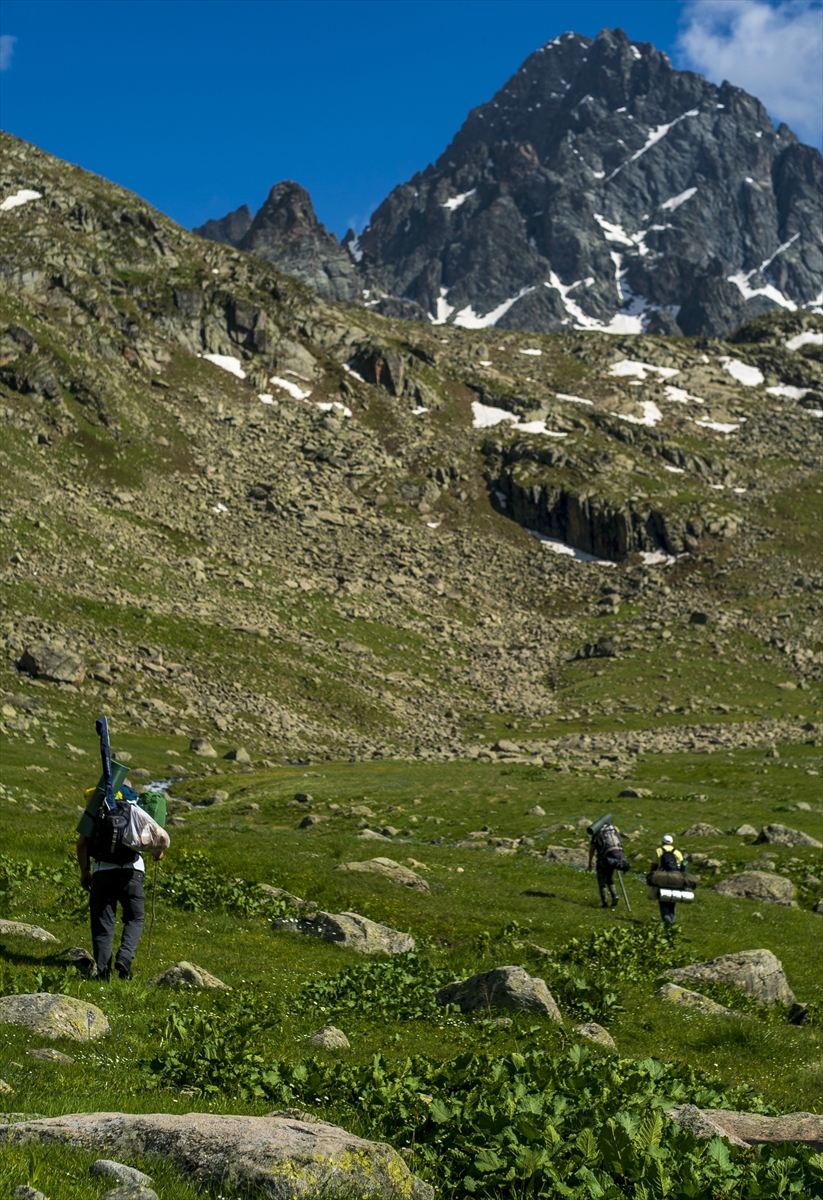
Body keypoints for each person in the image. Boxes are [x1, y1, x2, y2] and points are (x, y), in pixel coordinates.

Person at [76, 778, 163, 979]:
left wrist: (85, 871)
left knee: (102, 923)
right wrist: (158, 854)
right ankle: (124, 958)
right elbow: (157, 847)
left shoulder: (98, 807)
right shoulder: (136, 810)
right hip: (132, 873)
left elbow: (82, 843)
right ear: (129, 790)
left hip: (101, 872)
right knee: (134, 918)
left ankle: (102, 972)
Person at [587, 819, 624, 908]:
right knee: (609, 879)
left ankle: (605, 903)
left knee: (602, 881)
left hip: (603, 859)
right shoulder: (612, 830)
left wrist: (590, 863)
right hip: (614, 858)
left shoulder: (597, 832)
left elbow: (592, 848)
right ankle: (615, 895)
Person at [653, 834, 685, 925]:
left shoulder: (658, 851)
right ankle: (672, 920)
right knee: (673, 900)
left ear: (662, 842)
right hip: (676, 879)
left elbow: (654, 866)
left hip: (662, 878)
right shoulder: (677, 852)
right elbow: (683, 867)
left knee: (663, 900)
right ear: (672, 843)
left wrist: (652, 877)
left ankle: (666, 920)